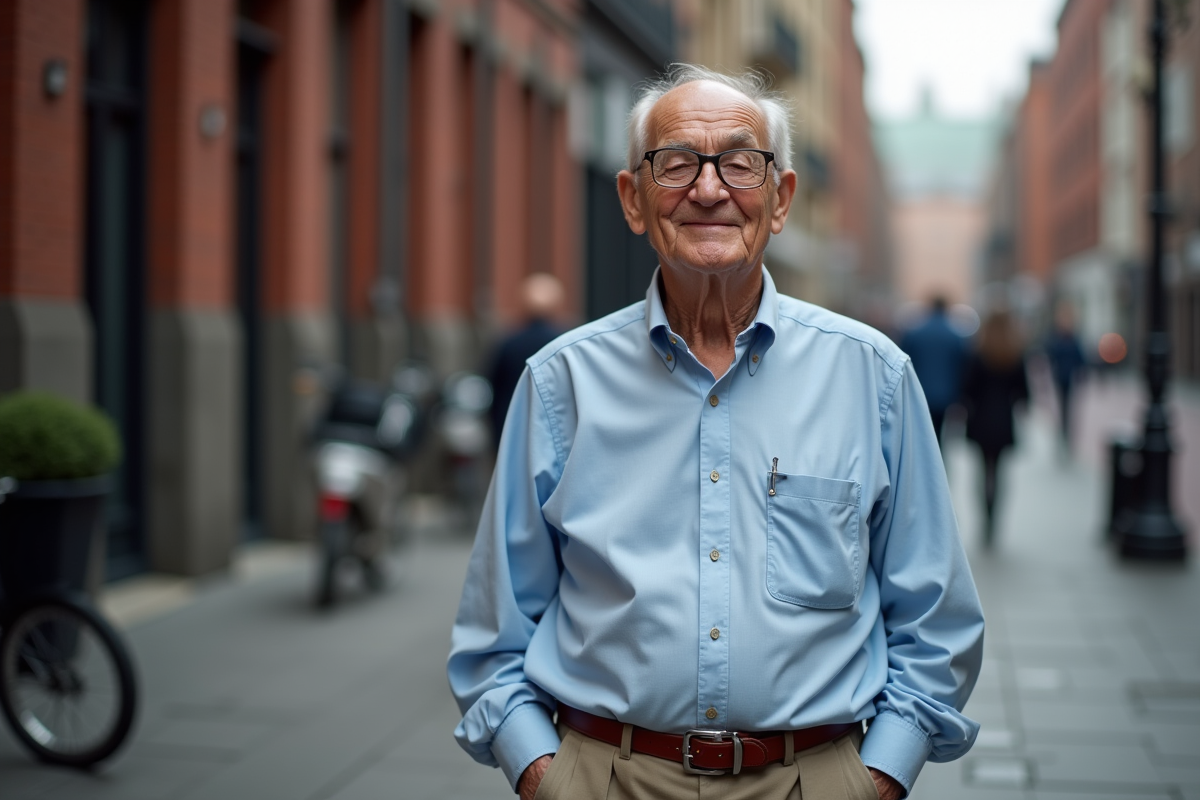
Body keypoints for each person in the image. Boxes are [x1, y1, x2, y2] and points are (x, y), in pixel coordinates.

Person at [448, 64, 984, 800]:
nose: (708, 190)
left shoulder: (874, 378)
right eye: (676, 164)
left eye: (741, 163)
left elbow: (936, 616)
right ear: (634, 201)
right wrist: (547, 775)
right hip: (604, 779)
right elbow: (495, 627)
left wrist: (877, 779)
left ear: (781, 197)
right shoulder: (559, 384)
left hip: (812, 779)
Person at [961, 307, 1030, 546]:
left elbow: (967, 389)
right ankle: (995, 519)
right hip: (1003, 420)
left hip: (980, 420)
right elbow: (1023, 392)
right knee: (998, 473)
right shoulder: (1014, 353)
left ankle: (985, 518)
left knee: (982, 471)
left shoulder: (978, 352)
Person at [485, 272, 567, 446]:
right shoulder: (564, 345)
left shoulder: (508, 343)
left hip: (510, 424)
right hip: (553, 429)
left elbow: (493, 384)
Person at [898, 296, 967, 445]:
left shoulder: (915, 333)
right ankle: (939, 461)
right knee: (940, 431)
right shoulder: (955, 336)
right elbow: (962, 366)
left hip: (920, 390)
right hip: (946, 393)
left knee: (923, 432)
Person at [1042, 300, 1086, 449]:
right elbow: (1050, 355)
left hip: (1070, 378)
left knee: (1069, 407)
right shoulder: (1056, 338)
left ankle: (1066, 432)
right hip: (1059, 378)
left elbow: (1080, 359)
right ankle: (1062, 432)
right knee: (1061, 407)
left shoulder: (1073, 339)